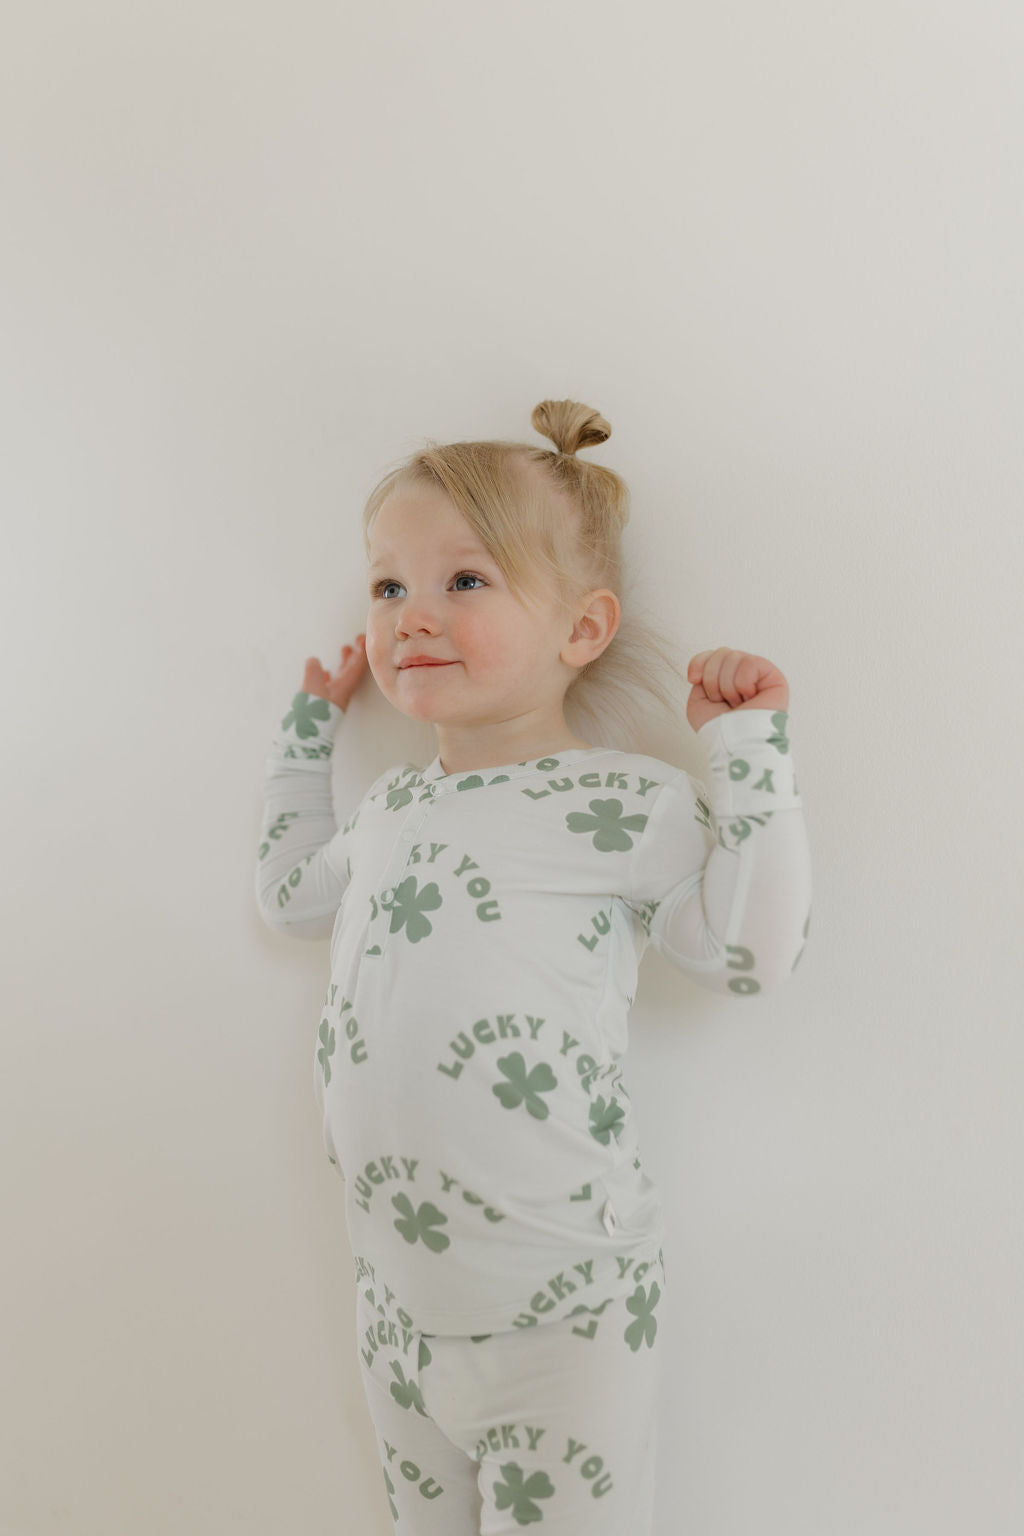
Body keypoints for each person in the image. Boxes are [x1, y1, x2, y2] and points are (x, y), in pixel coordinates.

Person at [254, 398, 812, 1535]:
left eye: (464, 581)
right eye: (387, 586)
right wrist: (308, 733)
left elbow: (751, 952)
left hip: (565, 1314)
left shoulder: (621, 802)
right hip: (398, 1311)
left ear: (582, 627)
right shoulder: (391, 808)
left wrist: (747, 747)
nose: (411, 615)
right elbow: (287, 892)